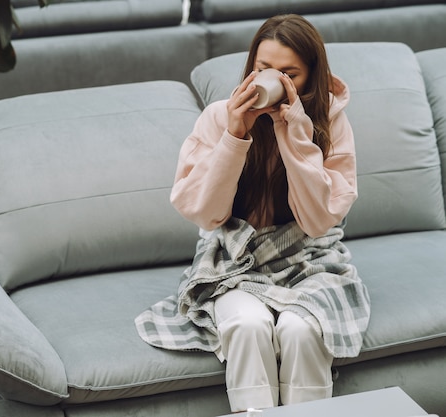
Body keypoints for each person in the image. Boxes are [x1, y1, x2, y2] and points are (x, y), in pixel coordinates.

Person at [136, 14, 370, 414]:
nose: (274, 80)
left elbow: (317, 222)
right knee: (247, 325)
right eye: (264, 69)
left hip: (310, 259)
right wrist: (235, 135)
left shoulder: (329, 122)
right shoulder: (218, 117)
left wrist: (296, 135)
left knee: (300, 329)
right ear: (251, 68)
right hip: (233, 261)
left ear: (311, 77)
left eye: (289, 74)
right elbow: (206, 216)